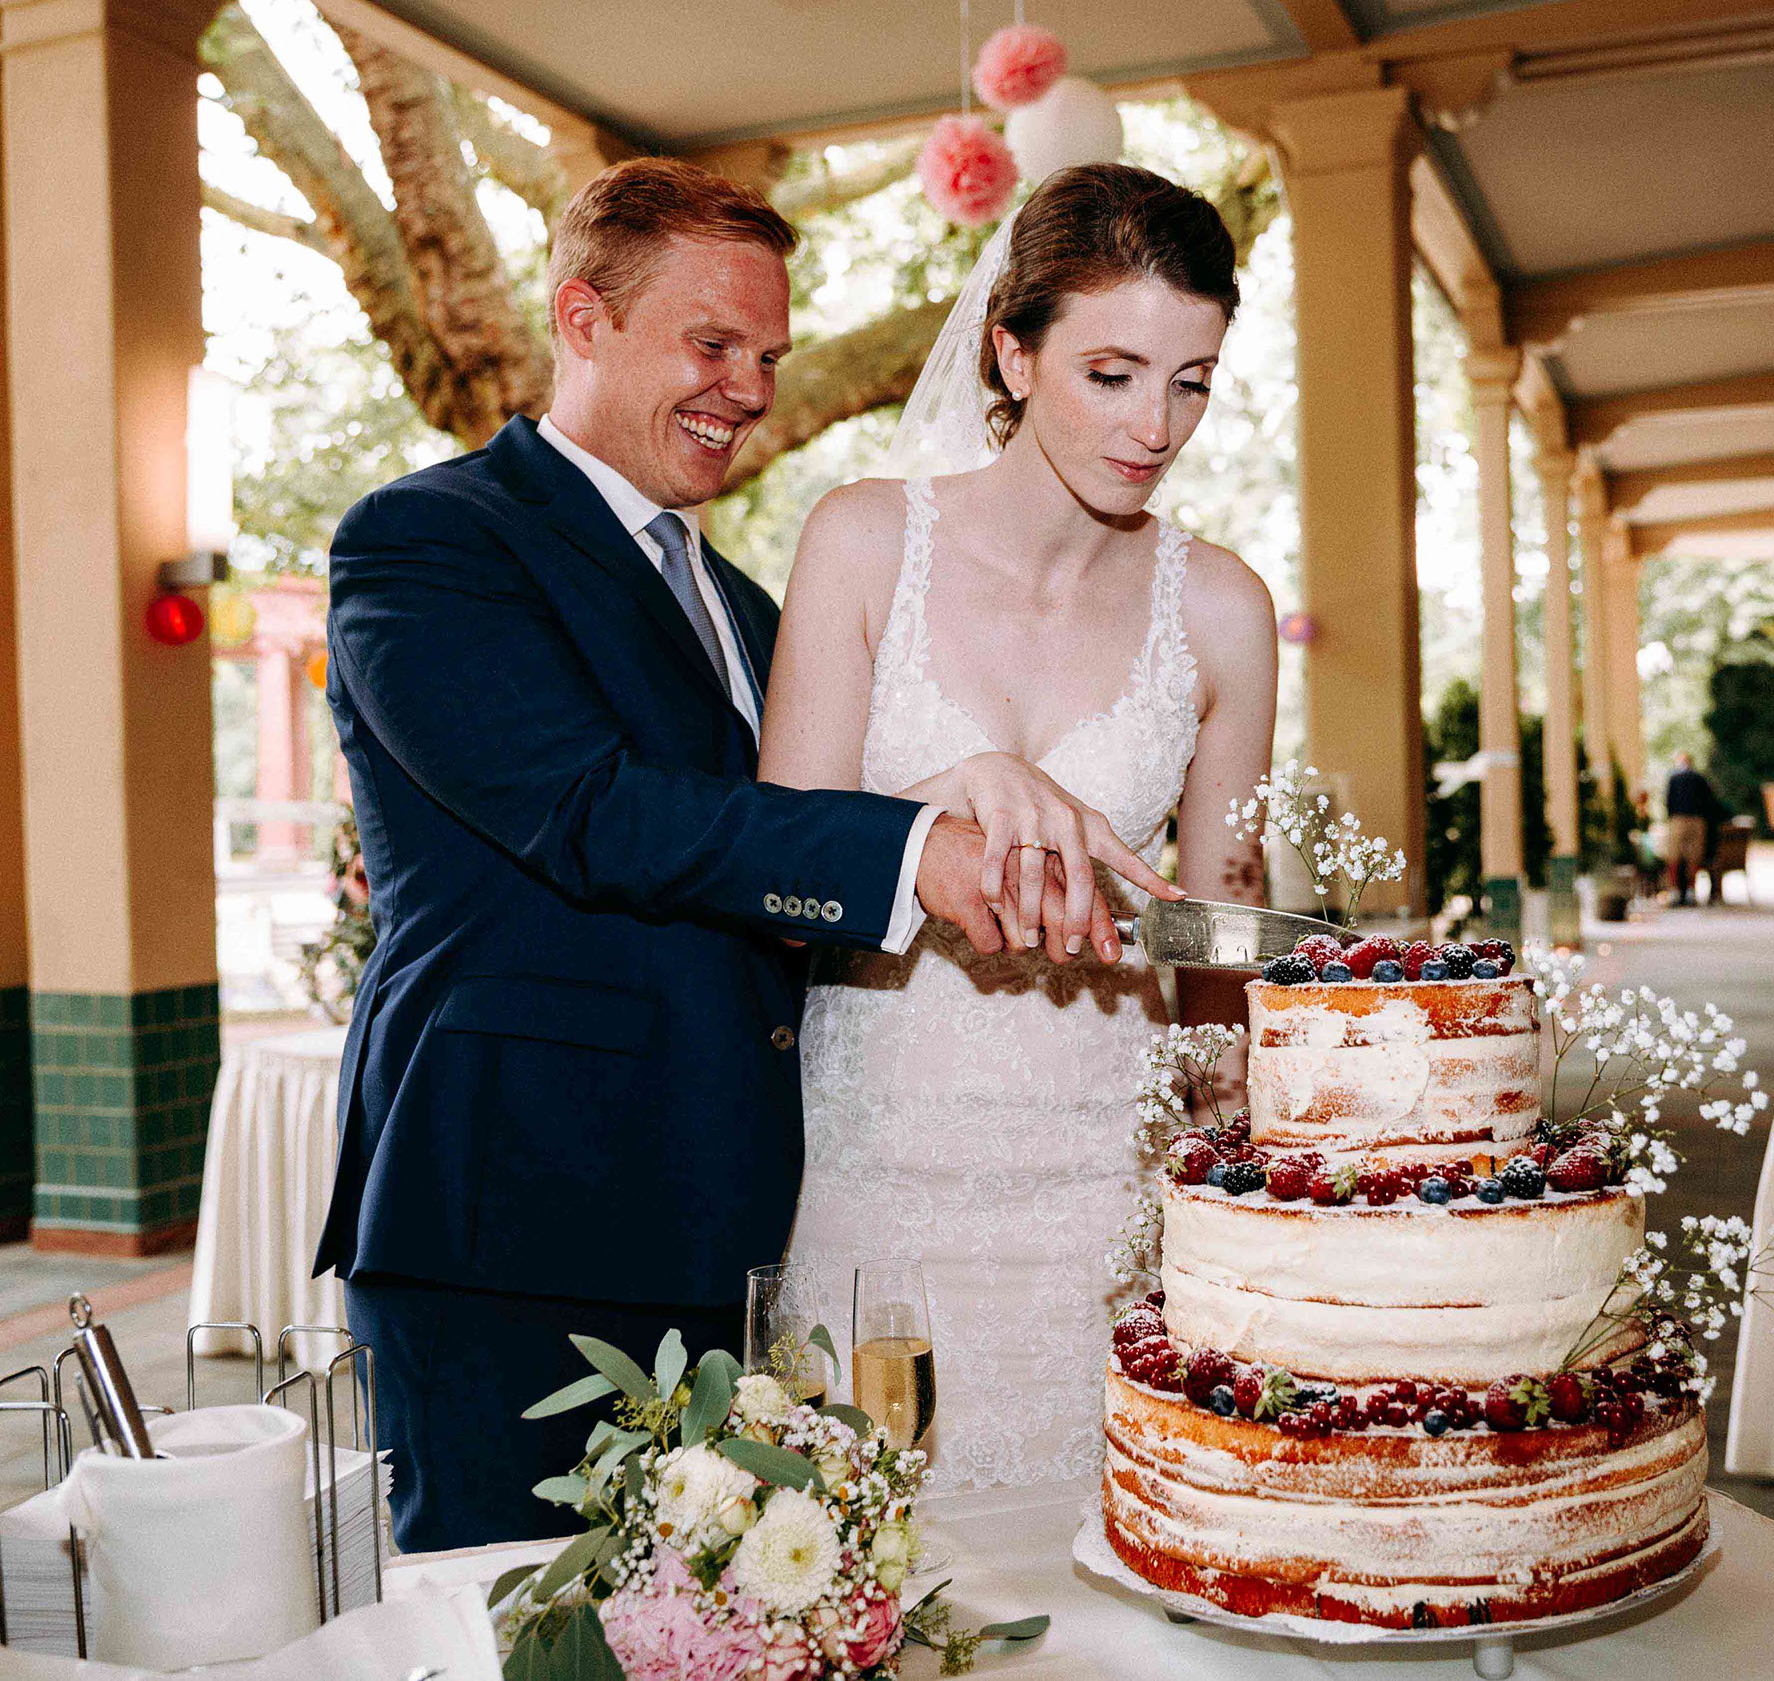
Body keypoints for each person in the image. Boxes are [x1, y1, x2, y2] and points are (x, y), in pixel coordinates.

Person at [311, 158, 1182, 1552]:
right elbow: (597, 817)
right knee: (526, 1628)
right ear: (581, 319)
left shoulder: (745, 604)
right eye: (713, 344)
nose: (752, 387)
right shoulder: (428, 544)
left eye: (768, 353)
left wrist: (954, 795)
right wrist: (920, 851)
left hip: (735, 1225)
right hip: (517, 1223)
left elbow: (777, 844)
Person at [761, 164, 1278, 1491]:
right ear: (1013, 347)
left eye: (1192, 381)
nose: (1156, 424)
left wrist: (1232, 1194)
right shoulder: (866, 540)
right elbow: (780, 870)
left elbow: (1215, 947)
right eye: (1112, 372)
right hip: (883, 1162)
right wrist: (946, 797)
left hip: (1107, 1177)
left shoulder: (1222, 609)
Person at [1662, 752, 1722, 906]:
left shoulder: (1673, 778)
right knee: (1694, 857)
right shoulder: (1699, 778)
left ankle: (1675, 892)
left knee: (1674, 856)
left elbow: (1667, 801)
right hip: (1697, 820)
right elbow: (1709, 800)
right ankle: (1690, 892)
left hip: (1678, 820)